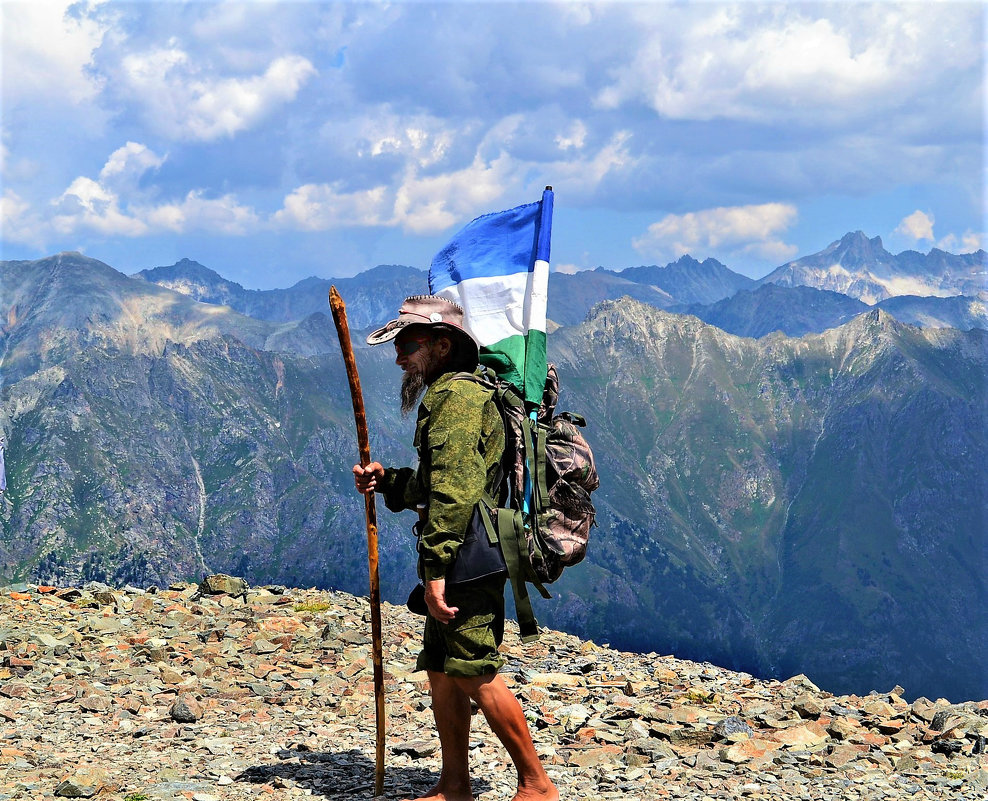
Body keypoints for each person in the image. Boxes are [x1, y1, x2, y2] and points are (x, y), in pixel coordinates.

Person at [353, 295, 558, 801]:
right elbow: (435, 481)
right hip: (459, 549)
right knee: (443, 669)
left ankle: (537, 785)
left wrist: (438, 568)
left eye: (407, 343)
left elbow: (455, 488)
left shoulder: (458, 400)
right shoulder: (449, 393)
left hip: (466, 555)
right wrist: (392, 482)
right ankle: (454, 785)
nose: (399, 355)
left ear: (442, 345)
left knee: (475, 668)